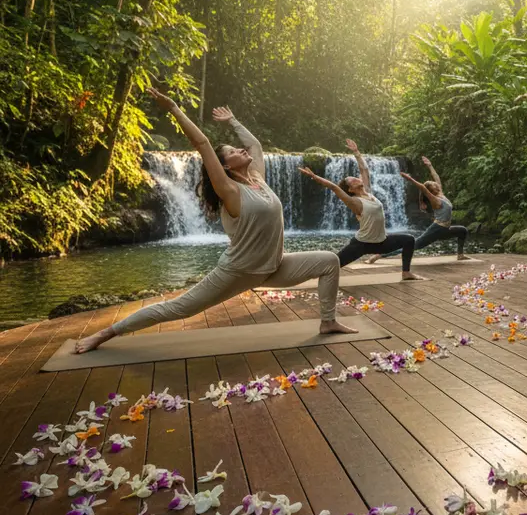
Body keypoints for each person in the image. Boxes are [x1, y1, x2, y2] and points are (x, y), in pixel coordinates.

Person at [75, 89, 354, 353]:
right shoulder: (230, 191)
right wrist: (173, 108)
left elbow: (254, 144)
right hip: (239, 271)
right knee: (177, 308)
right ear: (225, 167)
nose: (241, 151)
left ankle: (327, 322)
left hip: (274, 266)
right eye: (233, 152)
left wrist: (233, 121)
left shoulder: (258, 179)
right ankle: (105, 334)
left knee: (329, 261)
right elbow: (202, 143)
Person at [300, 139, 420, 280]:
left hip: (382, 242)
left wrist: (356, 152)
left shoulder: (368, 192)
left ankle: (406, 273)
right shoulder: (354, 202)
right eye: (352, 179)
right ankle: (306, 275)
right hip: (362, 244)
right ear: (350, 189)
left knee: (409, 240)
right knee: (334, 263)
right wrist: (314, 177)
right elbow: (334, 187)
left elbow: (364, 169)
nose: (356, 178)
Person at [367, 156, 469, 262]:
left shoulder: (441, 194)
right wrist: (410, 179)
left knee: (462, 231)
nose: (436, 185)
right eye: (434, 185)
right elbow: (423, 188)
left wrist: (430, 166)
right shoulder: (435, 200)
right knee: (415, 246)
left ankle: (460, 255)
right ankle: (379, 256)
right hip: (437, 228)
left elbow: (437, 177)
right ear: (431, 190)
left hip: (445, 229)